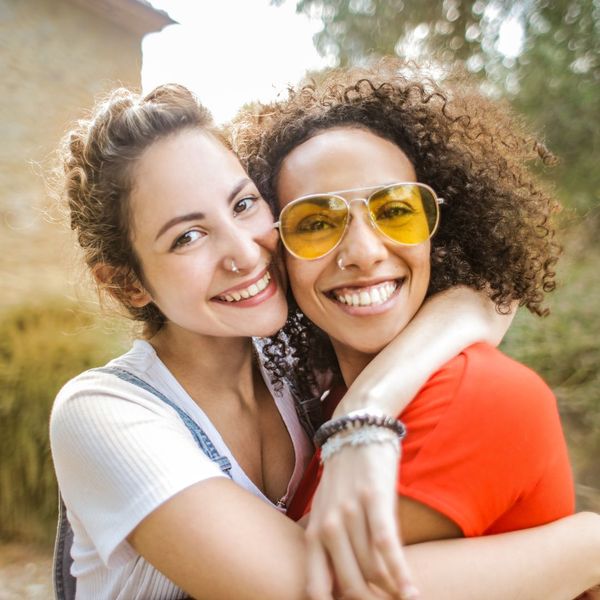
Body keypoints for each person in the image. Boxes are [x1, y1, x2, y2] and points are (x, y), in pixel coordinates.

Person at [50, 82, 600, 600]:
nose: (244, 252)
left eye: (243, 205)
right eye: (188, 236)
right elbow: (300, 588)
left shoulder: (298, 363)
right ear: (126, 281)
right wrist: (586, 547)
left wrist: (367, 407)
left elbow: (485, 300)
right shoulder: (104, 411)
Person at [235, 60, 600, 599]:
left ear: (438, 233)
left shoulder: (477, 394)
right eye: (315, 223)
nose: (363, 253)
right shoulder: (321, 399)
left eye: (396, 210)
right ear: (277, 256)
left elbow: (297, 590)